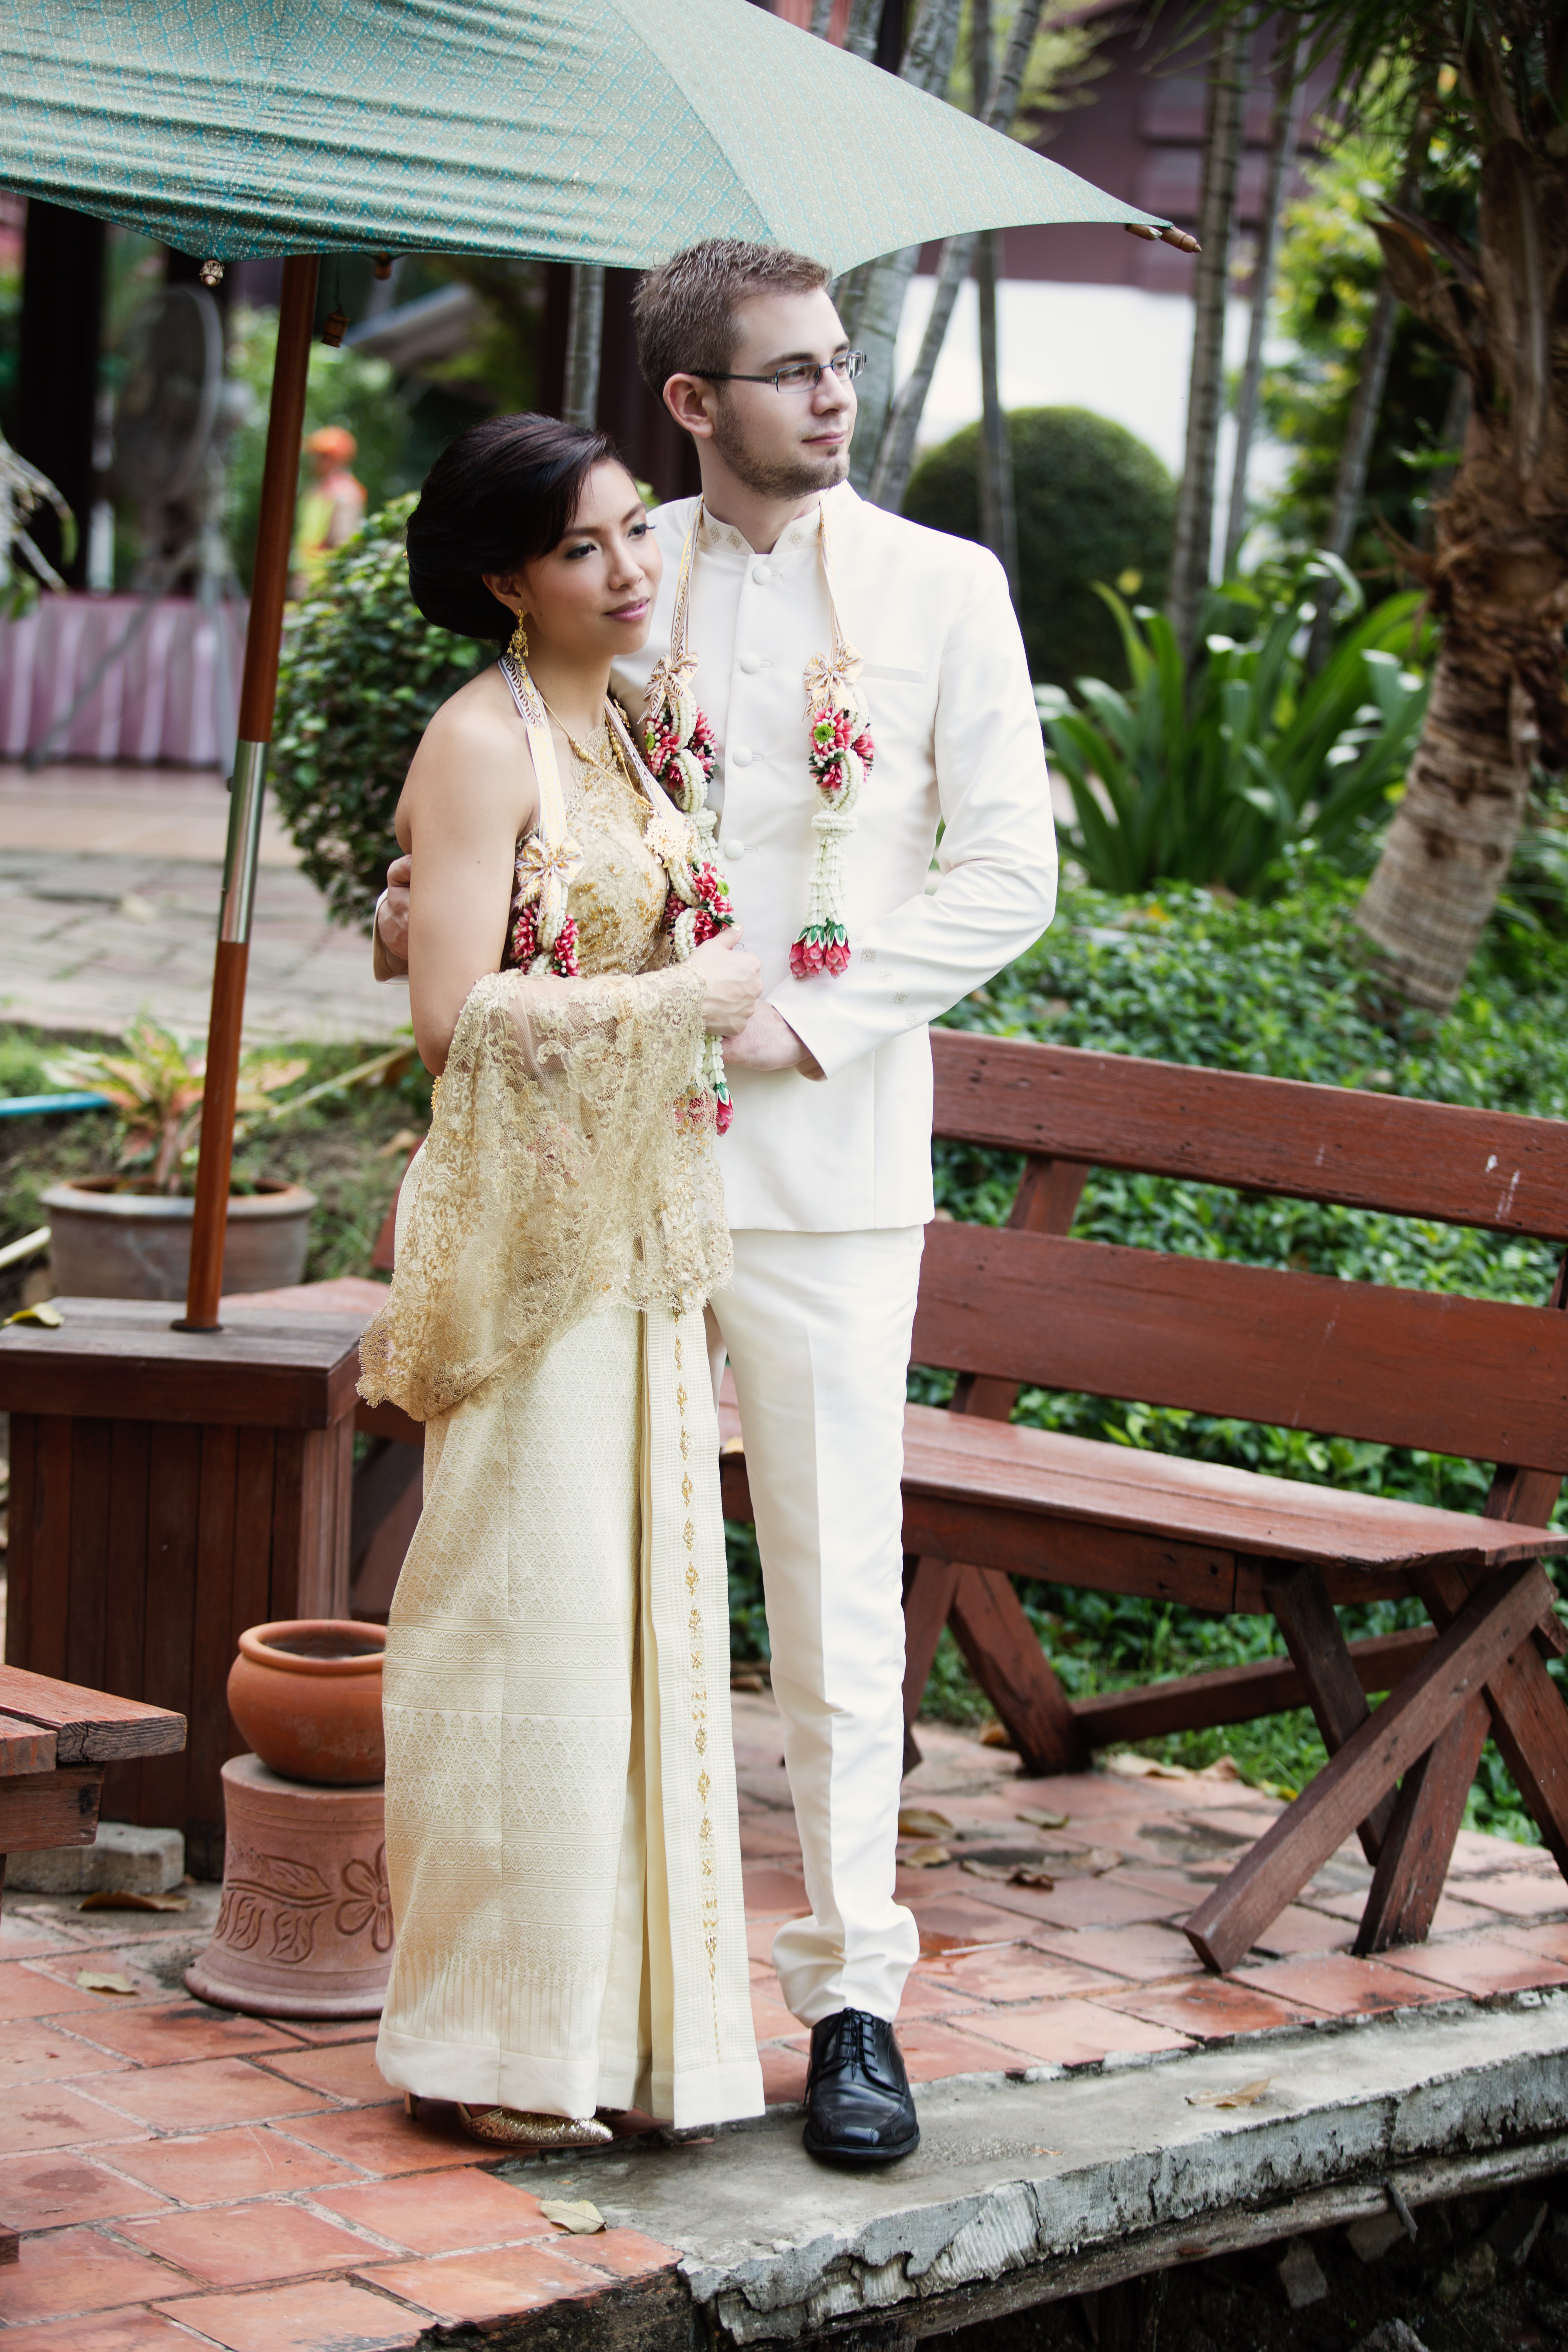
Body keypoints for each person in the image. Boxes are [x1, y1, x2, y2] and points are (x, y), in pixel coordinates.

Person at [374, 238, 1058, 2165]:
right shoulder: (614, 562)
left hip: (827, 1163)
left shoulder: (943, 589)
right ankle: (597, 1997)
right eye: (791, 370)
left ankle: (853, 1998)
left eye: (843, 364)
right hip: (607, 1176)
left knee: (835, 1578)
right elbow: (531, 802)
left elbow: (1010, 874)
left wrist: (814, 1034)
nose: (835, 397)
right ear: (691, 401)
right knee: (598, 1585)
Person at [358, 412, 767, 2148]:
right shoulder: (479, 742)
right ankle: (493, 2046)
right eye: (588, 548)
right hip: (526, 1240)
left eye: (634, 535)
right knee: (517, 1627)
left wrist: (703, 964)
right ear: (504, 579)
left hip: (641, 1228)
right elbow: (451, 1018)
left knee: (642, 1630)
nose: (630, 569)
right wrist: (694, 998)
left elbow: (649, 927)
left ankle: (624, 2044)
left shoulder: (636, 732)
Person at [291, 425, 367, 592]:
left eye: (321, 456)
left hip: (326, 585)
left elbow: (343, 542)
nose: (315, 461)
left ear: (336, 459)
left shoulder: (345, 493)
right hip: (306, 580)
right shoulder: (317, 490)